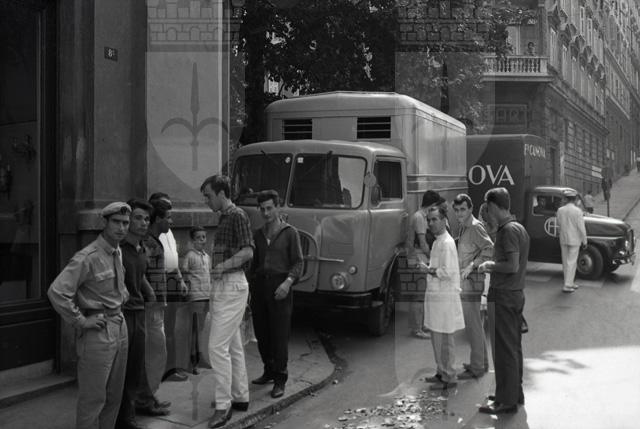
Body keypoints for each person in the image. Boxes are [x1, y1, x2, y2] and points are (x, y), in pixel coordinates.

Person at [47, 202, 131, 429]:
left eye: (125, 223)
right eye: (116, 222)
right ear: (105, 223)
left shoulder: (117, 251)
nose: (121, 228)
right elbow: (57, 292)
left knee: (114, 395)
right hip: (98, 331)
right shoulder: (87, 256)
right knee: (93, 398)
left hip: (119, 324)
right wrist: (81, 321)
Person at [201, 175, 254, 429]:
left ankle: (223, 406)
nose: (206, 201)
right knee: (232, 344)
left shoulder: (236, 215)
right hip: (227, 285)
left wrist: (222, 266)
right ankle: (240, 396)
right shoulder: (226, 217)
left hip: (231, 284)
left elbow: (248, 251)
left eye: (208, 196)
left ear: (222, 193)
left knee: (216, 347)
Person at [478, 187, 529, 414]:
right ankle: (512, 394)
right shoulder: (518, 228)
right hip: (514, 294)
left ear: (493, 206)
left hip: (504, 295)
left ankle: (506, 401)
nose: (488, 213)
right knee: (513, 347)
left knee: (504, 350)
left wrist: (489, 265)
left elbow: (512, 265)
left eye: (488, 209)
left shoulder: (508, 231)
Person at [250, 190, 303, 399]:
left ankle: (280, 379)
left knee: (279, 335)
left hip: (280, 286)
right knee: (262, 333)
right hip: (260, 287)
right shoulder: (257, 234)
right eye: (262, 209)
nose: (266, 213)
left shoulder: (290, 233)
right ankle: (268, 371)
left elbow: (298, 262)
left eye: (269, 208)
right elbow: (253, 264)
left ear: (278, 207)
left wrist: (288, 283)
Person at [117, 199, 157, 429]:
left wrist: (149, 292)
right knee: (121, 369)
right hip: (122, 315)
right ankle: (123, 417)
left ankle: (129, 413)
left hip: (139, 313)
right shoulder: (118, 250)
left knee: (135, 367)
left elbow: (139, 275)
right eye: (138, 218)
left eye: (147, 219)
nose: (143, 223)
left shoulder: (141, 249)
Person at [137, 198, 173, 415]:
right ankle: (145, 400)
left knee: (155, 354)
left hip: (155, 306)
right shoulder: (148, 243)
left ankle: (149, 396)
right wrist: (151, 294)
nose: (171, 221)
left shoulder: (154, 241)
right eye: (168, 217)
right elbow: (140, 270)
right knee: (154, 355)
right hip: (150, 308)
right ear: (158, 219)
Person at [422, 205, 465, 391]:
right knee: (437, 336)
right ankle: (441, 372)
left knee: (445, 339)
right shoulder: (438, 241)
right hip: (437, 297)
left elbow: (447, 272)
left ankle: (449, 376)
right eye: (429, 220)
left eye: (434, 219)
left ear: (444, 220)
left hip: (444, 298)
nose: (431, 223)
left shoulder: (446, 244)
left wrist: (428, 270)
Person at [452, 194, 494, 380]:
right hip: (467, 281)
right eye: (456, 210)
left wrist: (472, 265)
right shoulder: (464, 226)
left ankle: (477, 367)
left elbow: (490, 248)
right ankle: (480, 363)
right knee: (475, 324)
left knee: (472, 325)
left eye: (463, 209)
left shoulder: (475, 227)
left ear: (470, 209)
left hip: (472, 281)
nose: (459, 213)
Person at [149, 192, 189, 382]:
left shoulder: (168, 231)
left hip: (171, 279)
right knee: (160, 329)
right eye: (167, 212)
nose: (171, 218)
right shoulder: (152, 233)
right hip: (159, 280)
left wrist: (180, 279)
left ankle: (170, 367)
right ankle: (161, 370)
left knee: (170, 327)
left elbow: (173, 257)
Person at [405, 190, 447, 339]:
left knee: (422, 294)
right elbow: (422, 243)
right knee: (418, 295)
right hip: (418, 259)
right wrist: (434, 259)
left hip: (420, 258)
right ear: (432, 204)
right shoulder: (419, 217)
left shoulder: (422, 216)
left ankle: (421, 325)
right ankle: (416, 329)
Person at [175, 226, 212, 374]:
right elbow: (184, 271)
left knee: (201, 329)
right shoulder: (190, 255)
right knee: (194, 330)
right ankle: (192, 362)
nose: (202, 240)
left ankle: (200, 357)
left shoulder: (206, 256)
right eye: (198, 238)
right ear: (192, 240)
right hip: (196, 296)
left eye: (204, 237)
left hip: (206, 295)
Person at [556, 189, 588, 293]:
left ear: (566, 199)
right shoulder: (578, 211)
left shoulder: (560, 210)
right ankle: (568, 284)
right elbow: (581, 227)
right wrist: (584, 240)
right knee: (572, 262)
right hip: (574, 239)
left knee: (566, 262)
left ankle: (569, 282)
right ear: (575, 199)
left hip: (563, 238)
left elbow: (559, 224)